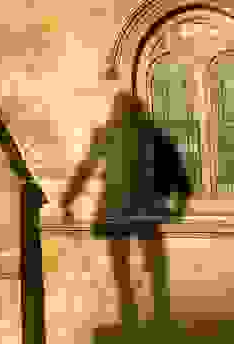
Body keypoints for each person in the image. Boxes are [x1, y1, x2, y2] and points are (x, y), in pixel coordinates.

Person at [60, 90, 191, 335]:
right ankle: (159, 318)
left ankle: (132, 319)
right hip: (145, 206)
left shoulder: (109, 134)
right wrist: (180, 201)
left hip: (119, 207)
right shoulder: (153, 134)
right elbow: (175, 169)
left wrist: (68, 199)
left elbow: (86, 169)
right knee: (153, 264)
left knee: (123, 266)